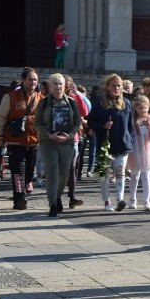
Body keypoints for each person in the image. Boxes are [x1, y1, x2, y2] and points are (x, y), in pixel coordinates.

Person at [0, 67, 43, 210]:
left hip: (34, 141)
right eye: (30, 79)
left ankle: (23, 190)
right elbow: (0, 117)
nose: (33, 82)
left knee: (29, 171)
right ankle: (19, 197)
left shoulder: (40, 98)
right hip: (16, 140)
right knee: (17, 171)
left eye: (35, 80)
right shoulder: (10, 97)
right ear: (23, 80)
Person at [34, 73, 82, 217]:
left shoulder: (71, 102)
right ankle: (53, 204)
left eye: (60, 83)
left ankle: (58, 195)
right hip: (48, 142)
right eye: (55, 83)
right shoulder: (43, 103)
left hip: (66, 142)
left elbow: (77, 122)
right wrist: (49, 135)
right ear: (49, 86)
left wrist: (71, 135)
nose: (58, 86)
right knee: (52, 171)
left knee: (64, 174)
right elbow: (37, 123)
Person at [87, 74, 135, 211]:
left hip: (123, 144)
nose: (117, 88)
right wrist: (103, 125)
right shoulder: (100, 103)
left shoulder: (126, 102)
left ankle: (120, 199)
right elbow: (91, 121)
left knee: (120, 172)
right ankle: (107, 202)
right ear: (108, 87)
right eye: (113, 85)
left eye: (119, 85)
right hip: (105, 146)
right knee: (105, 174)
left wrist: (130, 138)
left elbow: (130, 124)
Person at [127, 94, 150, 210]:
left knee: (146, 175)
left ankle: (146, 201)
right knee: (135, 175)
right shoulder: (132, 119)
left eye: (145, 108)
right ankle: (132, 199)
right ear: (135, 108)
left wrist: (149, 125)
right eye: (140, 108)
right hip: (135, 149)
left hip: (148, 149)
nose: (143, 110)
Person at [63, 75, 89, 208]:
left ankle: (72, 197)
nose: (67, 87)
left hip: (73, 137)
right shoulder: (54, 98)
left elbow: (84, 111)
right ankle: (55, 198)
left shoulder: (73, 97)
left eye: (69, 84)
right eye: (65, 84)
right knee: (60, 168)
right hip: (58, 137)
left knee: (72, 167)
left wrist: (77, 95)